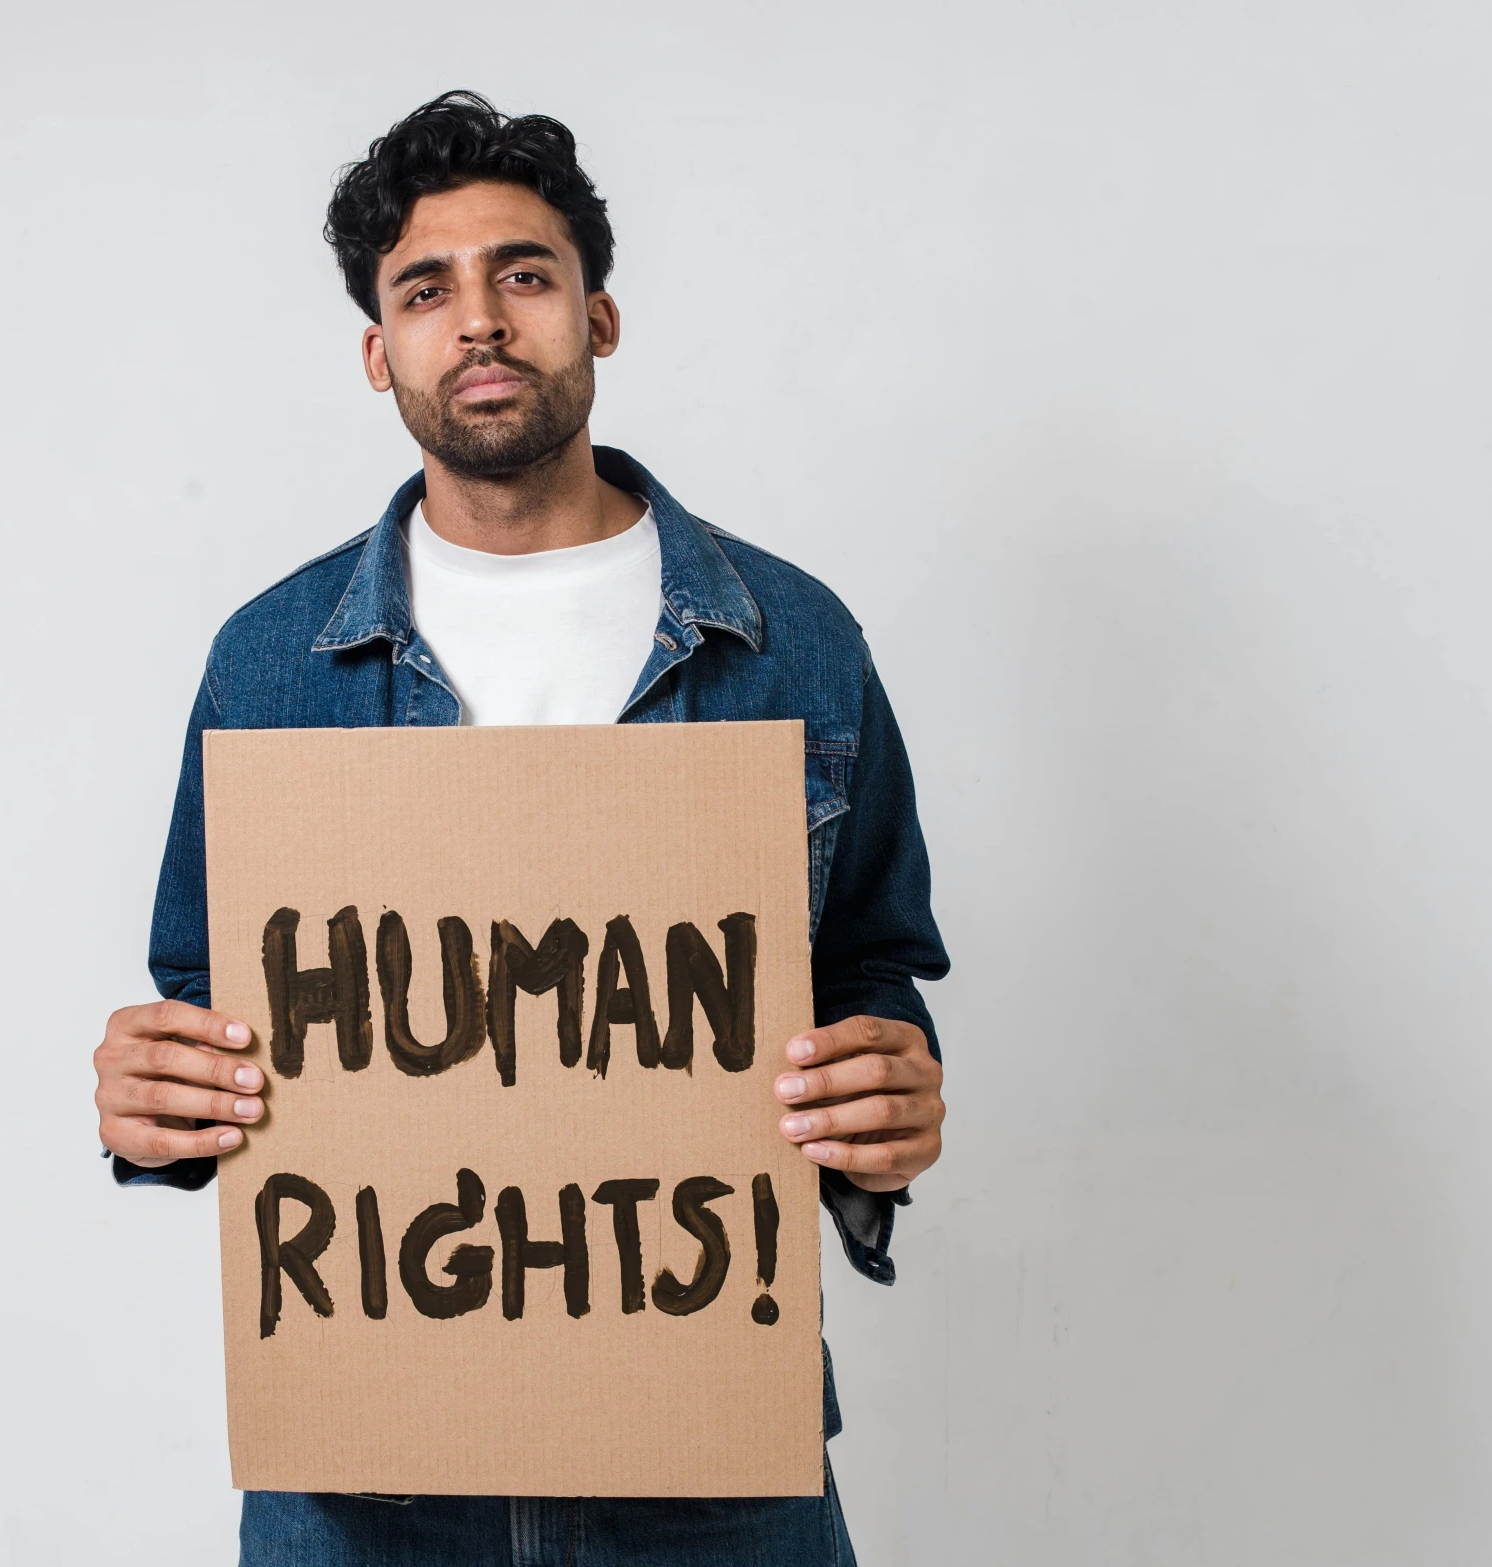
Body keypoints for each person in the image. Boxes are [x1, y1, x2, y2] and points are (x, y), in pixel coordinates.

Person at [92, 90, 950, 1567]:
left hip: (708, 1462)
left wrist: (889, 1098)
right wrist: (154, 1105)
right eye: (426, 290)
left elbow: (868, 965)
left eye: (525, 273)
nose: (478, 319)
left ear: (597, 318)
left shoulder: (792, 642)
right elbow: (209, 1006)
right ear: (379, 352)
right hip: (362, 1479)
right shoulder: (272, 661)